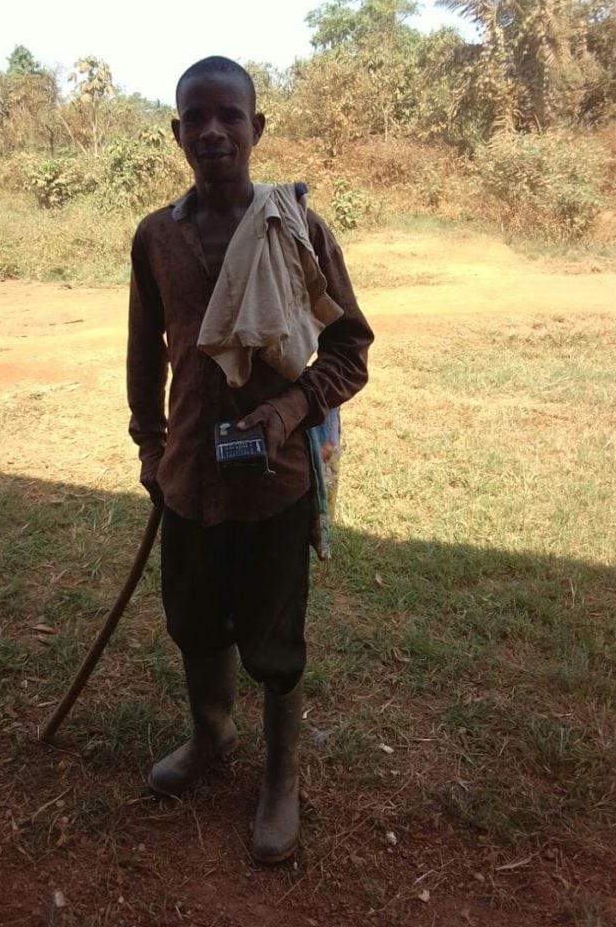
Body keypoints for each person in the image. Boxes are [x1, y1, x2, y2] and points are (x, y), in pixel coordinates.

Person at [127, 56, 373, 863]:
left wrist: (287, 406)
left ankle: (278, 778)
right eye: (195, 118)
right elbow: (143, 355)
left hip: (276, 483)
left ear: (256, 127)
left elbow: (349, 350)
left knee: (272, 639)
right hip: (190, 478)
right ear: (176, 134)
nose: (212, 131)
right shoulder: (155, 237)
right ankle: (210, 738)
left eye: (229, 115)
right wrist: (150, 446)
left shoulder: (297, 229)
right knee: (194, 620)